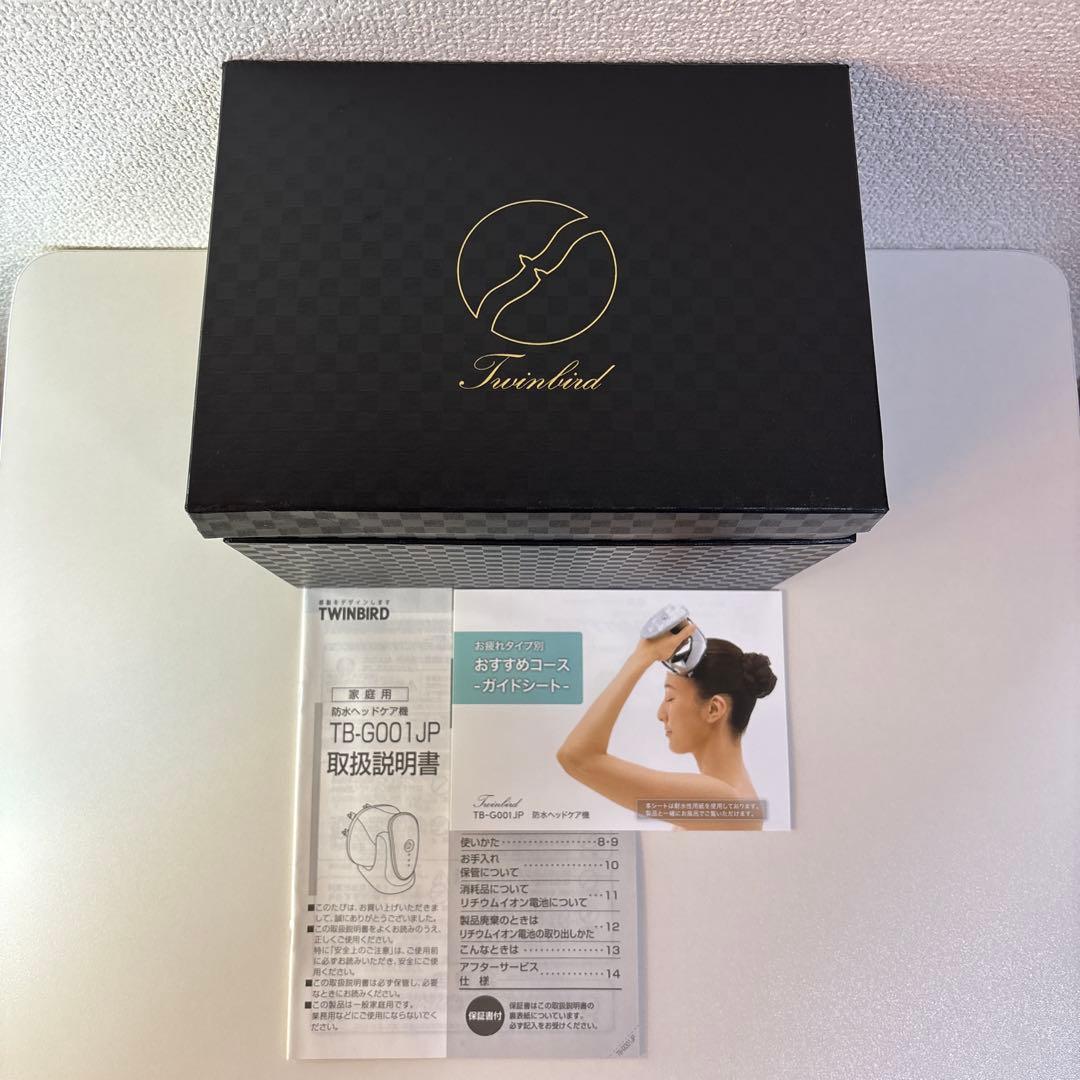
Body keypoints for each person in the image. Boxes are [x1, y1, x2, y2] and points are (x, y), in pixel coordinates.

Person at [555, 621, 777, 831]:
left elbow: (576, 757)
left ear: (713, 709)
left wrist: (642, 657)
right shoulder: (733, 800)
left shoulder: (727, 804)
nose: (660, 714)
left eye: (670, 698)